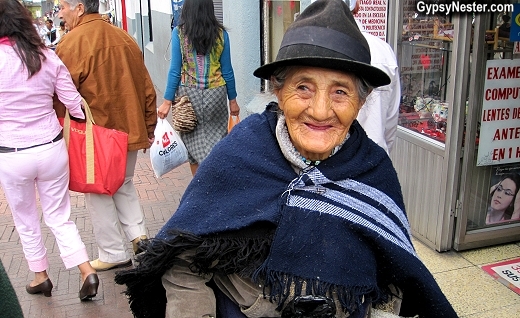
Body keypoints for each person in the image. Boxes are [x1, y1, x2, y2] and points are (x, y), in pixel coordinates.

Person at [115, 1, 457, 317]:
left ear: (362, 101)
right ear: (278, 90)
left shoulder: (373, 170)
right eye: (303, 87)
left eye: (340, 91)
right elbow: (183, 261)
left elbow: (393, 280)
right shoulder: (240, 153)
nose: (321, 111)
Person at [0, 0, 98, 301]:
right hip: (52, 149)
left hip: (12, 153)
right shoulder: (46, 56)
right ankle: (86, 270)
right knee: (59, 216)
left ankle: (40, 276)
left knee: (26, 218)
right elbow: (73, 103)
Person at [55, 0, 157, 271]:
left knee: (98, 190)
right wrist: (148, 127)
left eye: (62, 6)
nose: (59, 12)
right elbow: (148, 88)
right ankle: (140, 237)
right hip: (129, 129)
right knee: (123, 183)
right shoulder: (125, 37)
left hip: (94, 135)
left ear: (79, 8)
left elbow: (60, 96)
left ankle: (112, 252)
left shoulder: (71, 44)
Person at [156, 0, 240, 176]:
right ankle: (216, 181)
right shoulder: (221, 35)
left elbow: (175, 71)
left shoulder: (179, 33)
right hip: (216, 95)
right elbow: (227, 71)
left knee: (192, 145)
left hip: (189, 97)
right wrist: (233, 101)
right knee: (217, 140)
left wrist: (166, 102)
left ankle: (200, 185)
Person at [349, 0, 400, 154]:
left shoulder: (314, 49)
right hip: (373, 158)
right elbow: (390, 124)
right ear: (357, 7)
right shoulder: (383, 51)